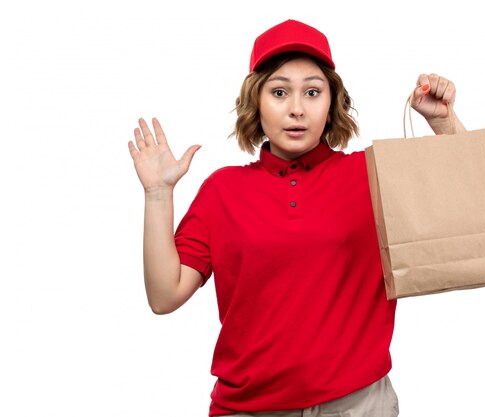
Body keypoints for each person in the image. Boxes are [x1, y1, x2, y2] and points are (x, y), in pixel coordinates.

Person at [128, 19, 466, 417]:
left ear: (332, 103)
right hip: (250, 409)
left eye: (312, 91)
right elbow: (165, 296)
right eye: (279, 92)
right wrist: (157, 194)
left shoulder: (372, 173)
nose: (297, 108)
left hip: (358, 405)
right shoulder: (222, 190)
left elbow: (466, 207)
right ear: (256, 102)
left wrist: (444, 124)